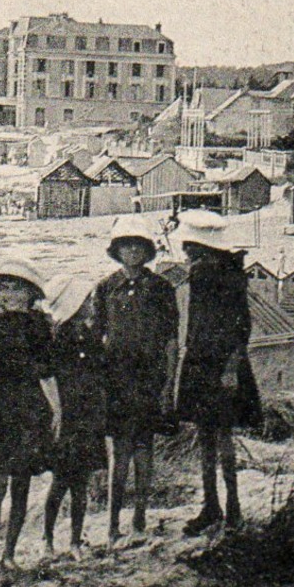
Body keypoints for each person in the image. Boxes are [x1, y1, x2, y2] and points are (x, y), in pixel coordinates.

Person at [0, 256, 62, 576]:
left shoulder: (40, 327)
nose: (8, 294)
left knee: (21, 484)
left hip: (29, 411)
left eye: (15, 288)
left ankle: (10, 552)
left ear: (29, 292)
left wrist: (57, 410)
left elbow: (46, 374)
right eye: (4, 288)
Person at [174, 210, 262, 537]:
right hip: (203, 363)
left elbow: (241, 327)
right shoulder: (213, 273)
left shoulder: (220, 276)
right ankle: (214, 507)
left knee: (220, 438)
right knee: (209, 437)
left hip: (219, 366)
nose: (186, 253)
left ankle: (231, 509)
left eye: (190, 247)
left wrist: (230, 367)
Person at [92, 215, 178, 542]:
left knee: (144, 450)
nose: (132, 252)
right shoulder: (105, 288)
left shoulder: (161, 288)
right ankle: (113, 523)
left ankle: (140, 518)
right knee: (120, 453)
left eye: (138, 247)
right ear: (116, 251)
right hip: (116, 380)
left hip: (149, 379)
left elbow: (171, 340)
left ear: (147, 251)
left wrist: (168, 385)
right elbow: (95, 337)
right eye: (125, 246)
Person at [44, 278, 105, 556]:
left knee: (80, 483)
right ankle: (48, 539)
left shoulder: (90, 337)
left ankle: (75, 541)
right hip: (68, 417)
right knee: (60, 482)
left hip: (87, 416)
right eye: (86, 301)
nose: (91, 304)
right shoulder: (59, 338)